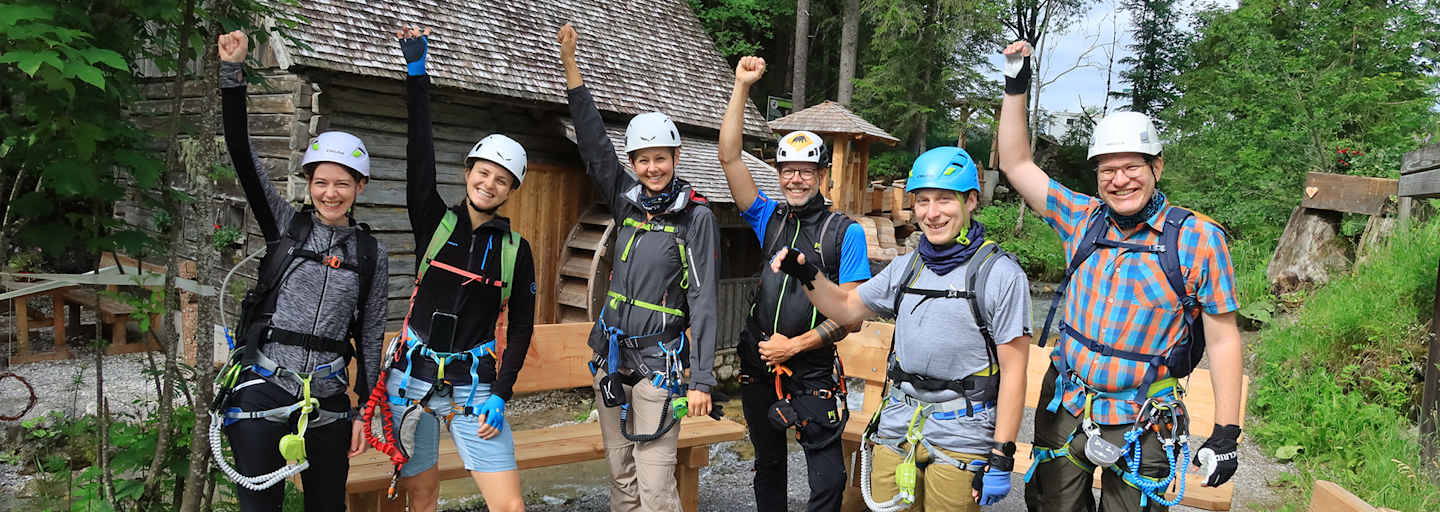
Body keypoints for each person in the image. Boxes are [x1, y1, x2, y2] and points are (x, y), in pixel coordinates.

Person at [995, 41, 1244, 512]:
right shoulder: (1082, 218)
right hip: (1068, 403)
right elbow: (1016, 164)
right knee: (1052, 506)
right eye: (1107, 169)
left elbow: (1224, 337)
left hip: (1146, 414)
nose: (1119, 180)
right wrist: (1015, 85)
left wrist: (1226, 431)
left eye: (1132, 166)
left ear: (1157, 167)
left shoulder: (1197, 239)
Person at [773, 146, 1031, 511]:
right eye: (922, 201)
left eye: (944, 200)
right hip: (897, 424)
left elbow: (1015, 370)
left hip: (962, 431)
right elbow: (846, 308)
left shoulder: (1000, 274)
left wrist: (1002, 452)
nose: (931, 213)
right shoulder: (907, 267)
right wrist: (807, 274)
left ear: (971, 201)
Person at [213, 29, 388, 512]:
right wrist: (233, 74)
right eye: (322, 183)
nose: (331, 194)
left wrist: (363, 413)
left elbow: (372, 336)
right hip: (265, 385)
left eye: (343, 184)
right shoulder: (285, 226)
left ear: (360, 187)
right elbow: (243, 158)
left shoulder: (371, 254)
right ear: (309, 183)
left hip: (330, 398)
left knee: (328, 505)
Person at [366, 26, 537, 512]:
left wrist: (501, 393)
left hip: (475, 387)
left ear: (511, 190)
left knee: (509, 506)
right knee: (421, 498)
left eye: (501, 179)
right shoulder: (433, 221)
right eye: (482, 172)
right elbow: (417, 154)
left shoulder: (514, 250)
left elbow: (521, 327)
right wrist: (416, 73)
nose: (489, 183)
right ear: (468, 174)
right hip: (411, 380)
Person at [557, 22, 721, 512]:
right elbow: (592, 146)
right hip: (611, 359)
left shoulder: (696, 217)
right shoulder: (626, 202)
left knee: (654, 487)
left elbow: (705, 299)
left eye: (661, 159)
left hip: (658, 366)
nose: (652, 168)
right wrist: (571, 66)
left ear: (675, 157)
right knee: (621, 479)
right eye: (643, 160)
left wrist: (702, 381)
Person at [717, 55, 871, 512]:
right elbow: (728, 156)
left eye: (806, 171)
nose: (796, 178)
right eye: (787, 170)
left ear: (823, 175)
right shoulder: (769, 217)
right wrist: (742, 86)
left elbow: (854, 317)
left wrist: (797, 345)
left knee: (826, 478)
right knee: (768, 466)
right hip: (760, 360)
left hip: (812, 368)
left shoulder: (846, 232)